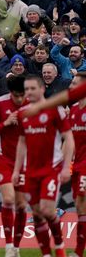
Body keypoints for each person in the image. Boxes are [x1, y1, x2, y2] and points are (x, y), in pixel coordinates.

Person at [13, 76, 73, 257]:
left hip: (51, 167)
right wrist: (17, 170)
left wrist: (65, 166)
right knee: (37, 214)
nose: (28, 92)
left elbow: (69, 138)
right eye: (26, 89)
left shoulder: (55, 110)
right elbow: (22, 143)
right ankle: (46, 253)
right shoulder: (23, 112)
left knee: (48, 210)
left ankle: (60, 244)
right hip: (30, 170)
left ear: (41, 89)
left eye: (32, 88)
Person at [0, 75, 28, 257]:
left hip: (26, 161)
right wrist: (5, 123)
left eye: (22, 95)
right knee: (8, 199)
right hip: (4, 159)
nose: (19, 99)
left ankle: (16, 247)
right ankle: (9, 246)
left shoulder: (34, 105)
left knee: (21, 205)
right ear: (10, 92)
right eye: (16, 95)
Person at [67, 73, 86, 257]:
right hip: (77, 164)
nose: (71, 87)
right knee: (80, 206)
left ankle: (79, 251)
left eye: (75, 84)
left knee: (82, 204)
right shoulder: (72, 110)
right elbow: (69, 139)